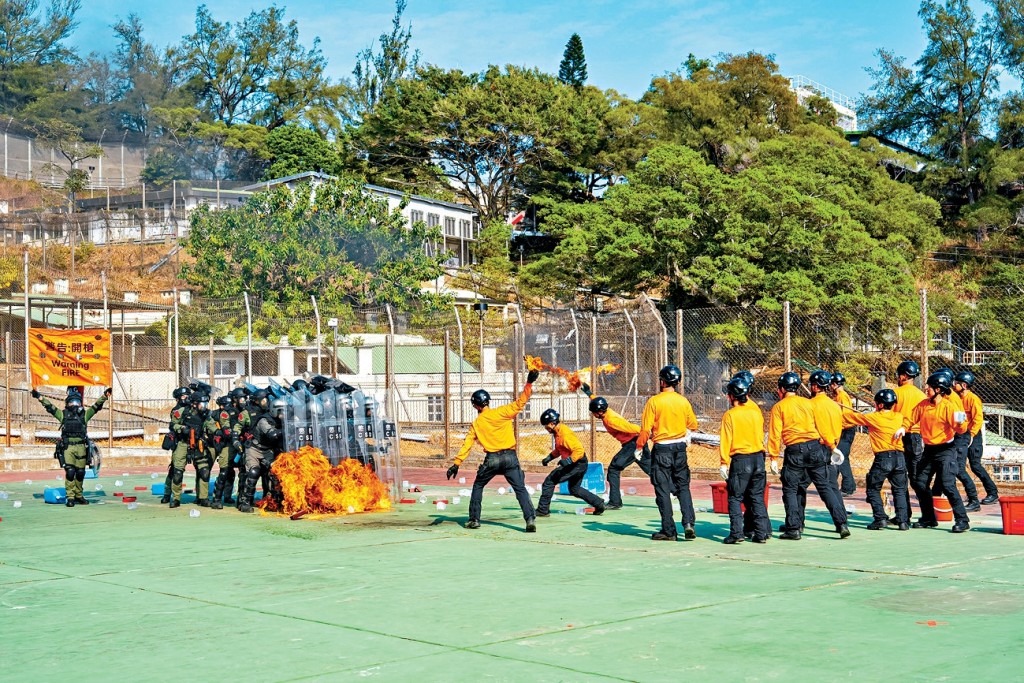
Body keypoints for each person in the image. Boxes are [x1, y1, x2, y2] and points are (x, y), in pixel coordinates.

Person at [445, 368, 540, 532]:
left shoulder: (476, 423)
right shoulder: (502, 412)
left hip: (492, 459)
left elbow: (467, 444)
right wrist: (529, 383)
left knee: (478, 486)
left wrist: (456, 464)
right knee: (520, 488)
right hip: (510, 457)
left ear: (475, 405)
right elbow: (520, 402)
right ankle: (530, 519)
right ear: (488, 401)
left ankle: (474, 519)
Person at [768, 372, 850, 540]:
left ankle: (794, 528)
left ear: (782, 389)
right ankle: (841, 523)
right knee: (825, 487)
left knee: (791, 489)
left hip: (794, 450)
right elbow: (822, 427)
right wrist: (832, 446)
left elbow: (775, 434)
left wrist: (773, 457)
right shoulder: (808, 403)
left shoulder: (779, 407)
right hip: (815, 448)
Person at [896, 372, 971, 532]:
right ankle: (929, 518)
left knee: (948, 485)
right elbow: (910, 417)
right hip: (929, 450)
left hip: (946, 450)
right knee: (919, 482)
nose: (926, 388)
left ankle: (962, 520)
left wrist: (961, 423)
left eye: (929, 386)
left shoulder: (948, 407)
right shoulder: (923, 405)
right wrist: (903, 427)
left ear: (939, 389)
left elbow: (960, 429)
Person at [636, 364, 699, 541]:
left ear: (662, 382)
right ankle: (688, 523)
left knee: (662, 489)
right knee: (683, 486)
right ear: (677, 382)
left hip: (662, 448)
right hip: (680, 449)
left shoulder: (654, 402)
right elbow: (693, 425)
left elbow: (645, 430)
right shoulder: (683, 401)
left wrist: (639, 447)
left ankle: (669, 530)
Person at [840, 389, 910, 530]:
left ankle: (880, 518)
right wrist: (904, 427)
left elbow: (849, 418)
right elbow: (908, 419)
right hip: (900, 457)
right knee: (900, 490)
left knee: (873, 488)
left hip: (884, 458)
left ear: (881, 405)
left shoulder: (873, 418)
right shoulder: (898, 416)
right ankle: (903, 521)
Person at [34, 387, 111, 507]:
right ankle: (70, 497)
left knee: (80, 472)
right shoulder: (63, 415)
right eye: (72, 402)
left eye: (77, 402)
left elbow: (96, 407)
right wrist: (39, 397)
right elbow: (50, 407)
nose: (75, 405)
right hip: (68, 447)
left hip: (81, 447)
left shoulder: (84, 415)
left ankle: (79, 495)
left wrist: (105, 396)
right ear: (67, 403)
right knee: (70, 472)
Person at [580, 382, 650, 509]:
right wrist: (589, 393)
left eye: (594, 412)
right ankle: (675, 489)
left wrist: (647, 432)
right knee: (652, 470)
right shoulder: (606, 411)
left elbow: (631, 428)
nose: (593, 415)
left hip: (632, 444)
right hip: (637, 442)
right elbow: (598, 402)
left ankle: (615, 502)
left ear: (600, 412)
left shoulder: (611, 420)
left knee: (613, 469)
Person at [719, 376, 769, 544]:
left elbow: (726, 440)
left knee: (734, 497)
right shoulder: (755, 412)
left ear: (732, 396)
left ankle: (736, 533)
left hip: (741, 459)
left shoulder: (730, 415)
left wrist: (724, 462)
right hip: (758, 458)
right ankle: (761, 533)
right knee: (756, 497)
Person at [535, 408, 606, 516]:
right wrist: (549, 457)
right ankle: (598, 503)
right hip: (579, 463)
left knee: (549, 481)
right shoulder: (558, 432)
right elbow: (560, 449)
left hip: (576, 463)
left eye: (546, 425)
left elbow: (579, 451)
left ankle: (542, 510)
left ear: (553, 423)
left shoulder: (564, 434)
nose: (546, 428)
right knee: (574, 489)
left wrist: (568, 461)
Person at [954, 370, 999, 505]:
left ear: (965, 385)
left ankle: (992, 492)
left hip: (973, 435)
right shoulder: (956, 398)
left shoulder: (973, 399)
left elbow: (978, 419)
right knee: (959, 466)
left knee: (975, 465)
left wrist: (972, 435)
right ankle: (971, 495)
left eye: (957, 383)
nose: (954, 384)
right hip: (961, 435)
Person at [234, 396, 285, 513]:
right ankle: (245, 502)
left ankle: (273, 501)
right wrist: (286, 429)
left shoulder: (281, 421)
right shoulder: (264, 420)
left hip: (268, 450)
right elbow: (272, 434)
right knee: (253, 471)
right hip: (254, 449)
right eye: (280, 410)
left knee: (274, 473)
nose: (283, 413)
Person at [893, 360, 927, 525]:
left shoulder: (896, 393)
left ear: (903, 376)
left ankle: (904, 514)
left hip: (899, 435)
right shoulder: (922, 395)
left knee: (899, 476)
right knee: (916, 477)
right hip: (916, 437)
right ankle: (927, 514)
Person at [168, 392, 213, 508]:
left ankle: (203, 498)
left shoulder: (206, 414)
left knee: (204, 471)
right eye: (201, 403)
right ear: (194, 404)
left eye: (205, 403)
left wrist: (218, 433)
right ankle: (176, 498)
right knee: (177, 473)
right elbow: (172, 425)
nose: (204, 406)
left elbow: (211, 425)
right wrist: (182, 428)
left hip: (199, 444)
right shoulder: (182, 412)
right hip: (183, 443)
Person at [829, 372, 858, 496]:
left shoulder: (842, 396)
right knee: (839, 457)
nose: (830, 387)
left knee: (841, 457)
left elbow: (846, 415)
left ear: (835, 384)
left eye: (831, 384)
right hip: (843, 430)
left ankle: (848, 488)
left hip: (846, 430)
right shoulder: (837, 397)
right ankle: (835, 485)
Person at [209, 395, 239, 510]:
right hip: (225, 444)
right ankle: (216, 499)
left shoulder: (236, 412)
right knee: (224, 472)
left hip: (234, 444)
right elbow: (226, 429)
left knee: (231, 472)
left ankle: (227, 496)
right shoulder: (222, 414)